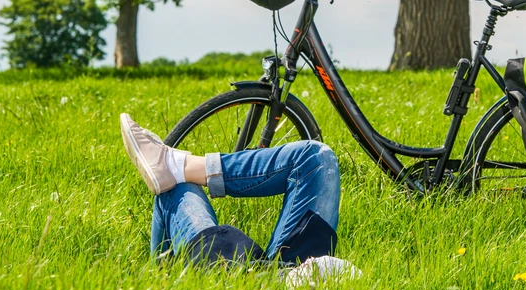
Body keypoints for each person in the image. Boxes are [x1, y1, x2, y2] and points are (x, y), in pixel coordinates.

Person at [119, 114, 355, 277]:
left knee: (177, 188)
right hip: (299, 264)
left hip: (243, 280)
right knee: (316, 156)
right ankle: (182, 166)